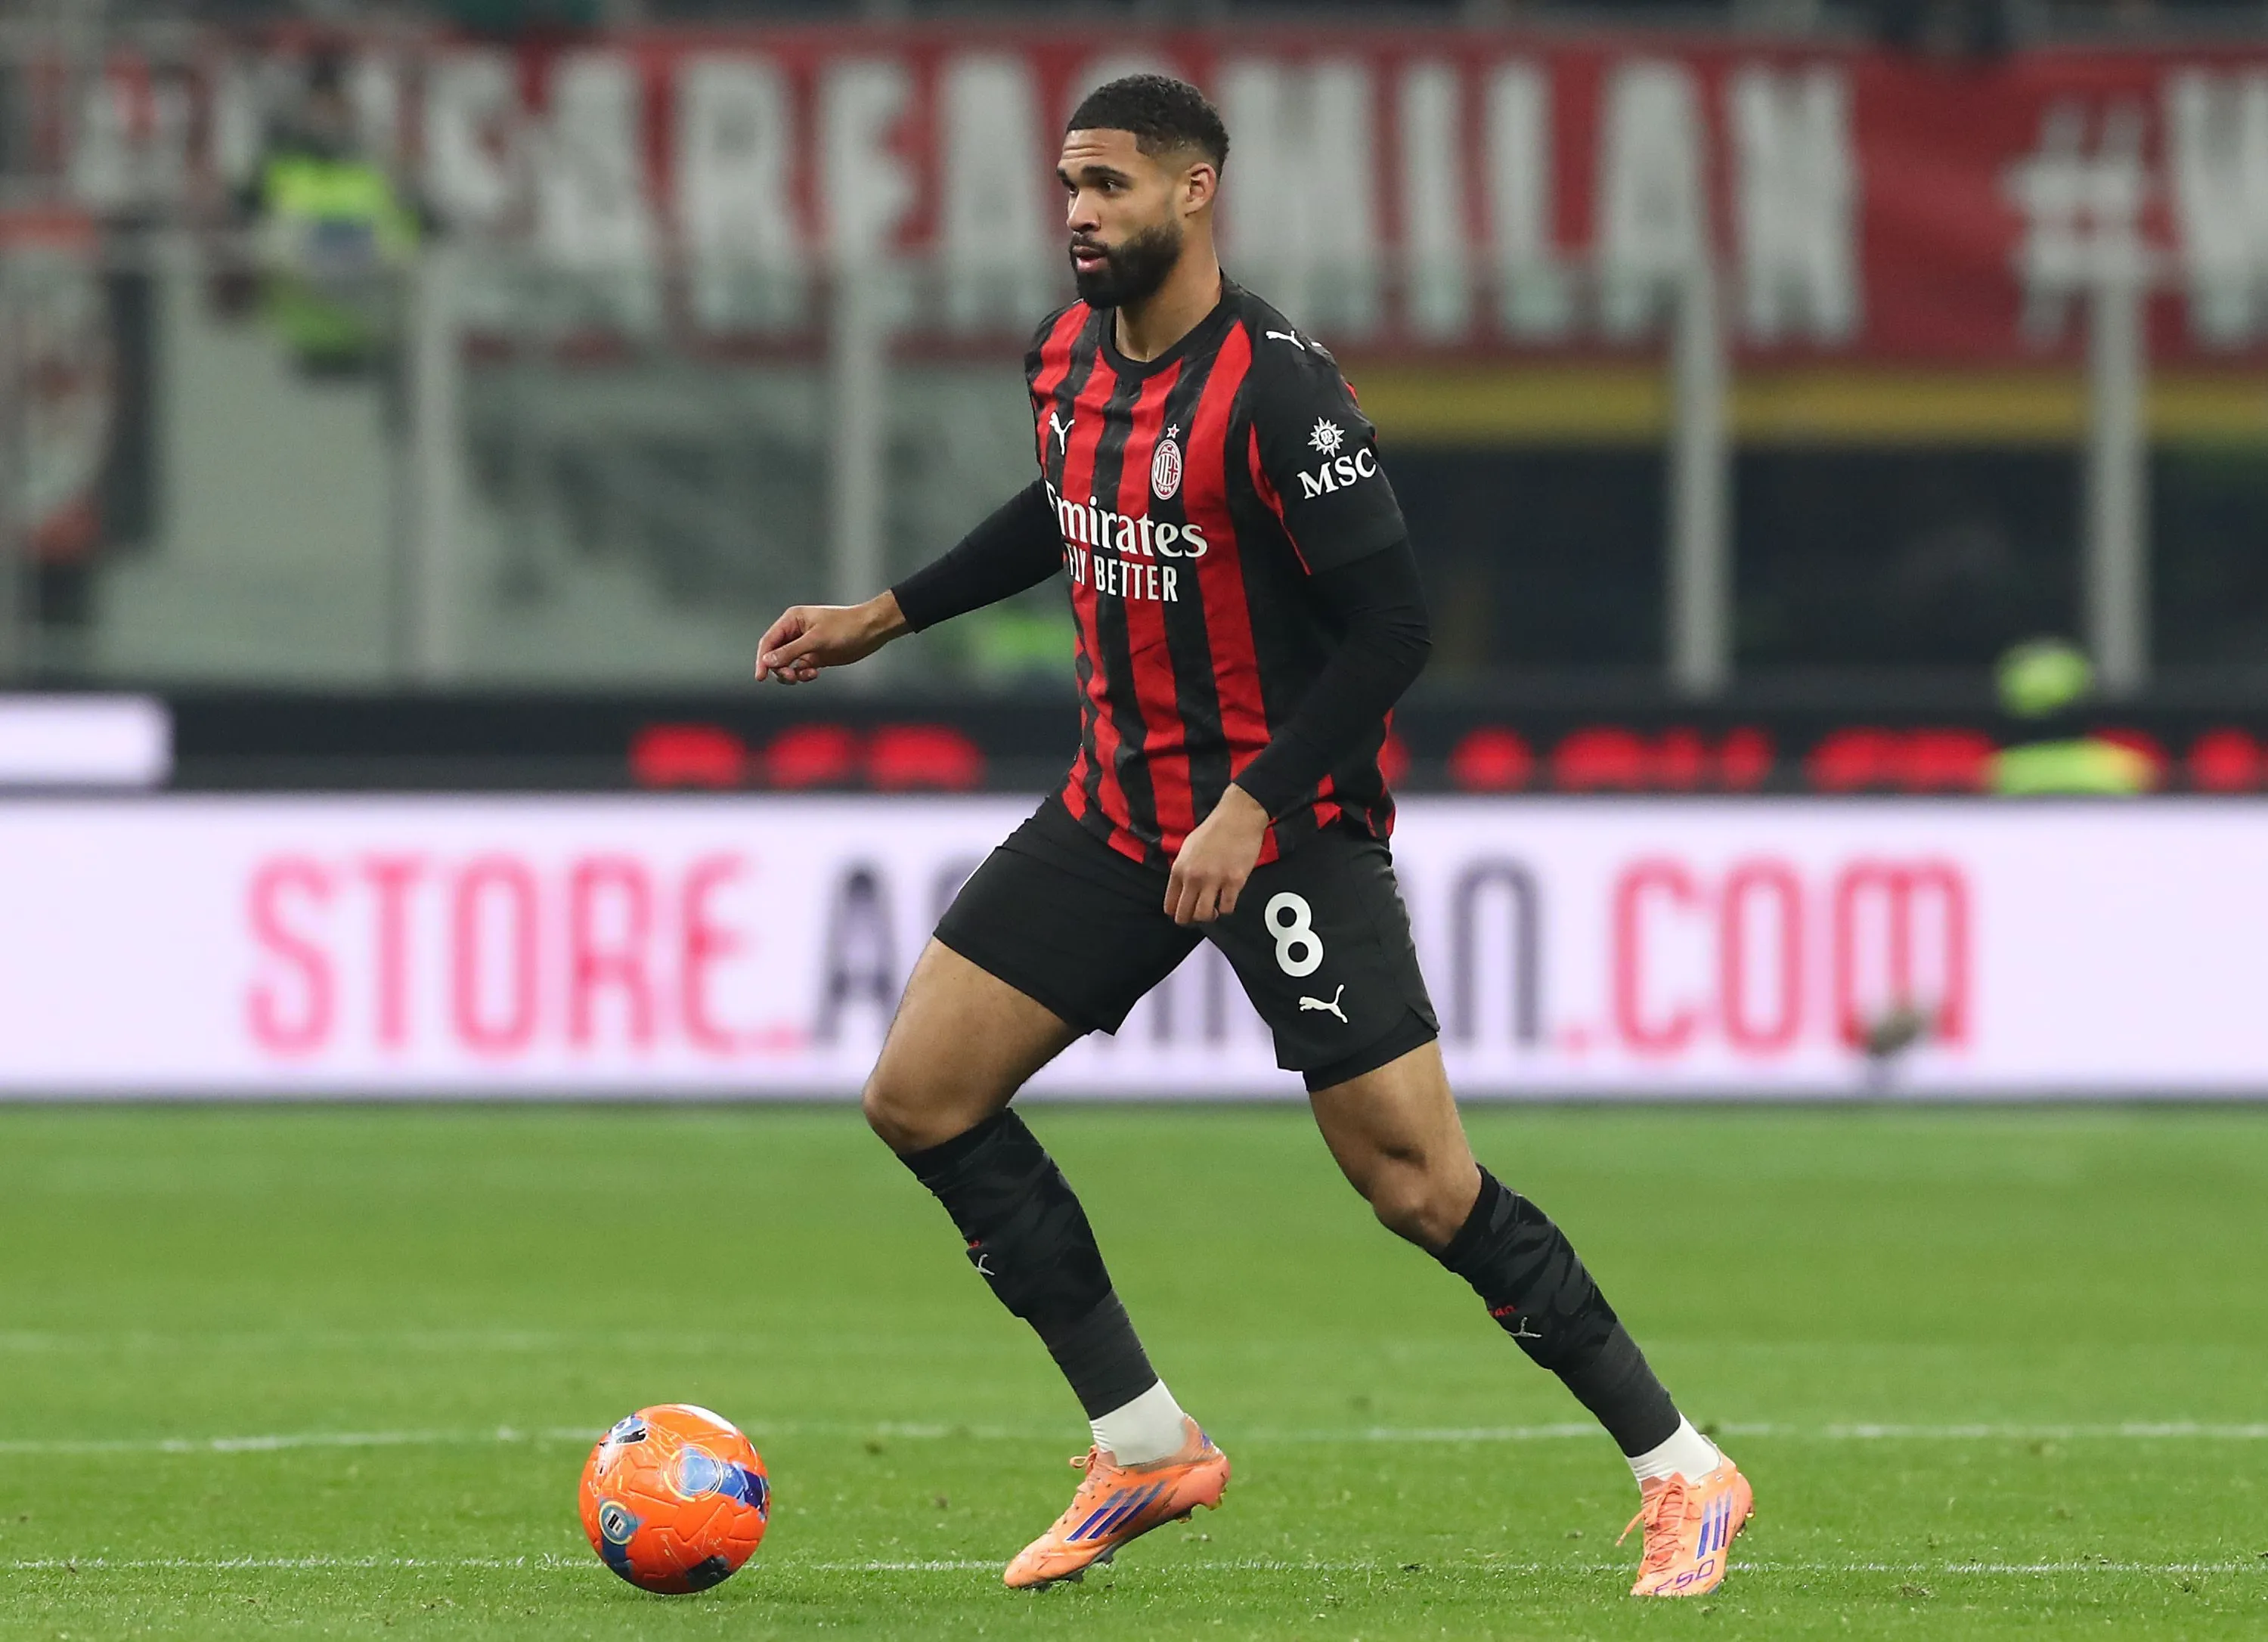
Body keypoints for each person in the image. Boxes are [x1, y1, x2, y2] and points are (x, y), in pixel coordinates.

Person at [752, 73, 1752, 1599]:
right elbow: (1064, 501)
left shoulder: (1281, 393)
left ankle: (1682, 1467)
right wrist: (884, 614)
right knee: (923, 1096)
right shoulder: (1064, 356)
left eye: (1110, 186)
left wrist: (1252, 802)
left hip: (1284, 831)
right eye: (1069, 186)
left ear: (1194, 190)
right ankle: (1144, 1443)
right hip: (1118, 812)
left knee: (1418, 1186)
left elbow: (1394, 628)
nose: (1080, 215)